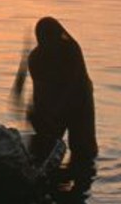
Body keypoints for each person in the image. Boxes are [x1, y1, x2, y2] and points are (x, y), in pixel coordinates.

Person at [27, 17, 98, 164]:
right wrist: (36, 112)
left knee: (83, 150)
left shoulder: (71, 50)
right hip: (53, 103)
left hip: (80, 101)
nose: (49, 41)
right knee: (46, 144)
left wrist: (56, 111)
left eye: (51, 36)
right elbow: (39, 90)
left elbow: (74, 85)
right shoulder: (35, 58)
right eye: (44, 37)